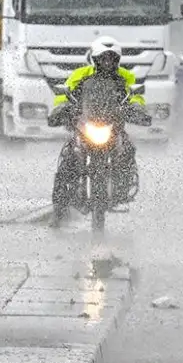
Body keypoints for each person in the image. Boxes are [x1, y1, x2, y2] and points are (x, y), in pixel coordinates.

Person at [48, 36, 147, 225]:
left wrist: (138, 110)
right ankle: (59, 209)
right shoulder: (81, 74)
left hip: (113, 127)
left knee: (127, 150)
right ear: (94, 59)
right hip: (86, 126)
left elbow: (135, 97)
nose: (107, 62)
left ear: (117, 60)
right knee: (68, 158)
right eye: (103, 58)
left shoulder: (126, 77)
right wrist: (61, 109)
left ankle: (122, 187)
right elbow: (64, 95)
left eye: (111, 58)